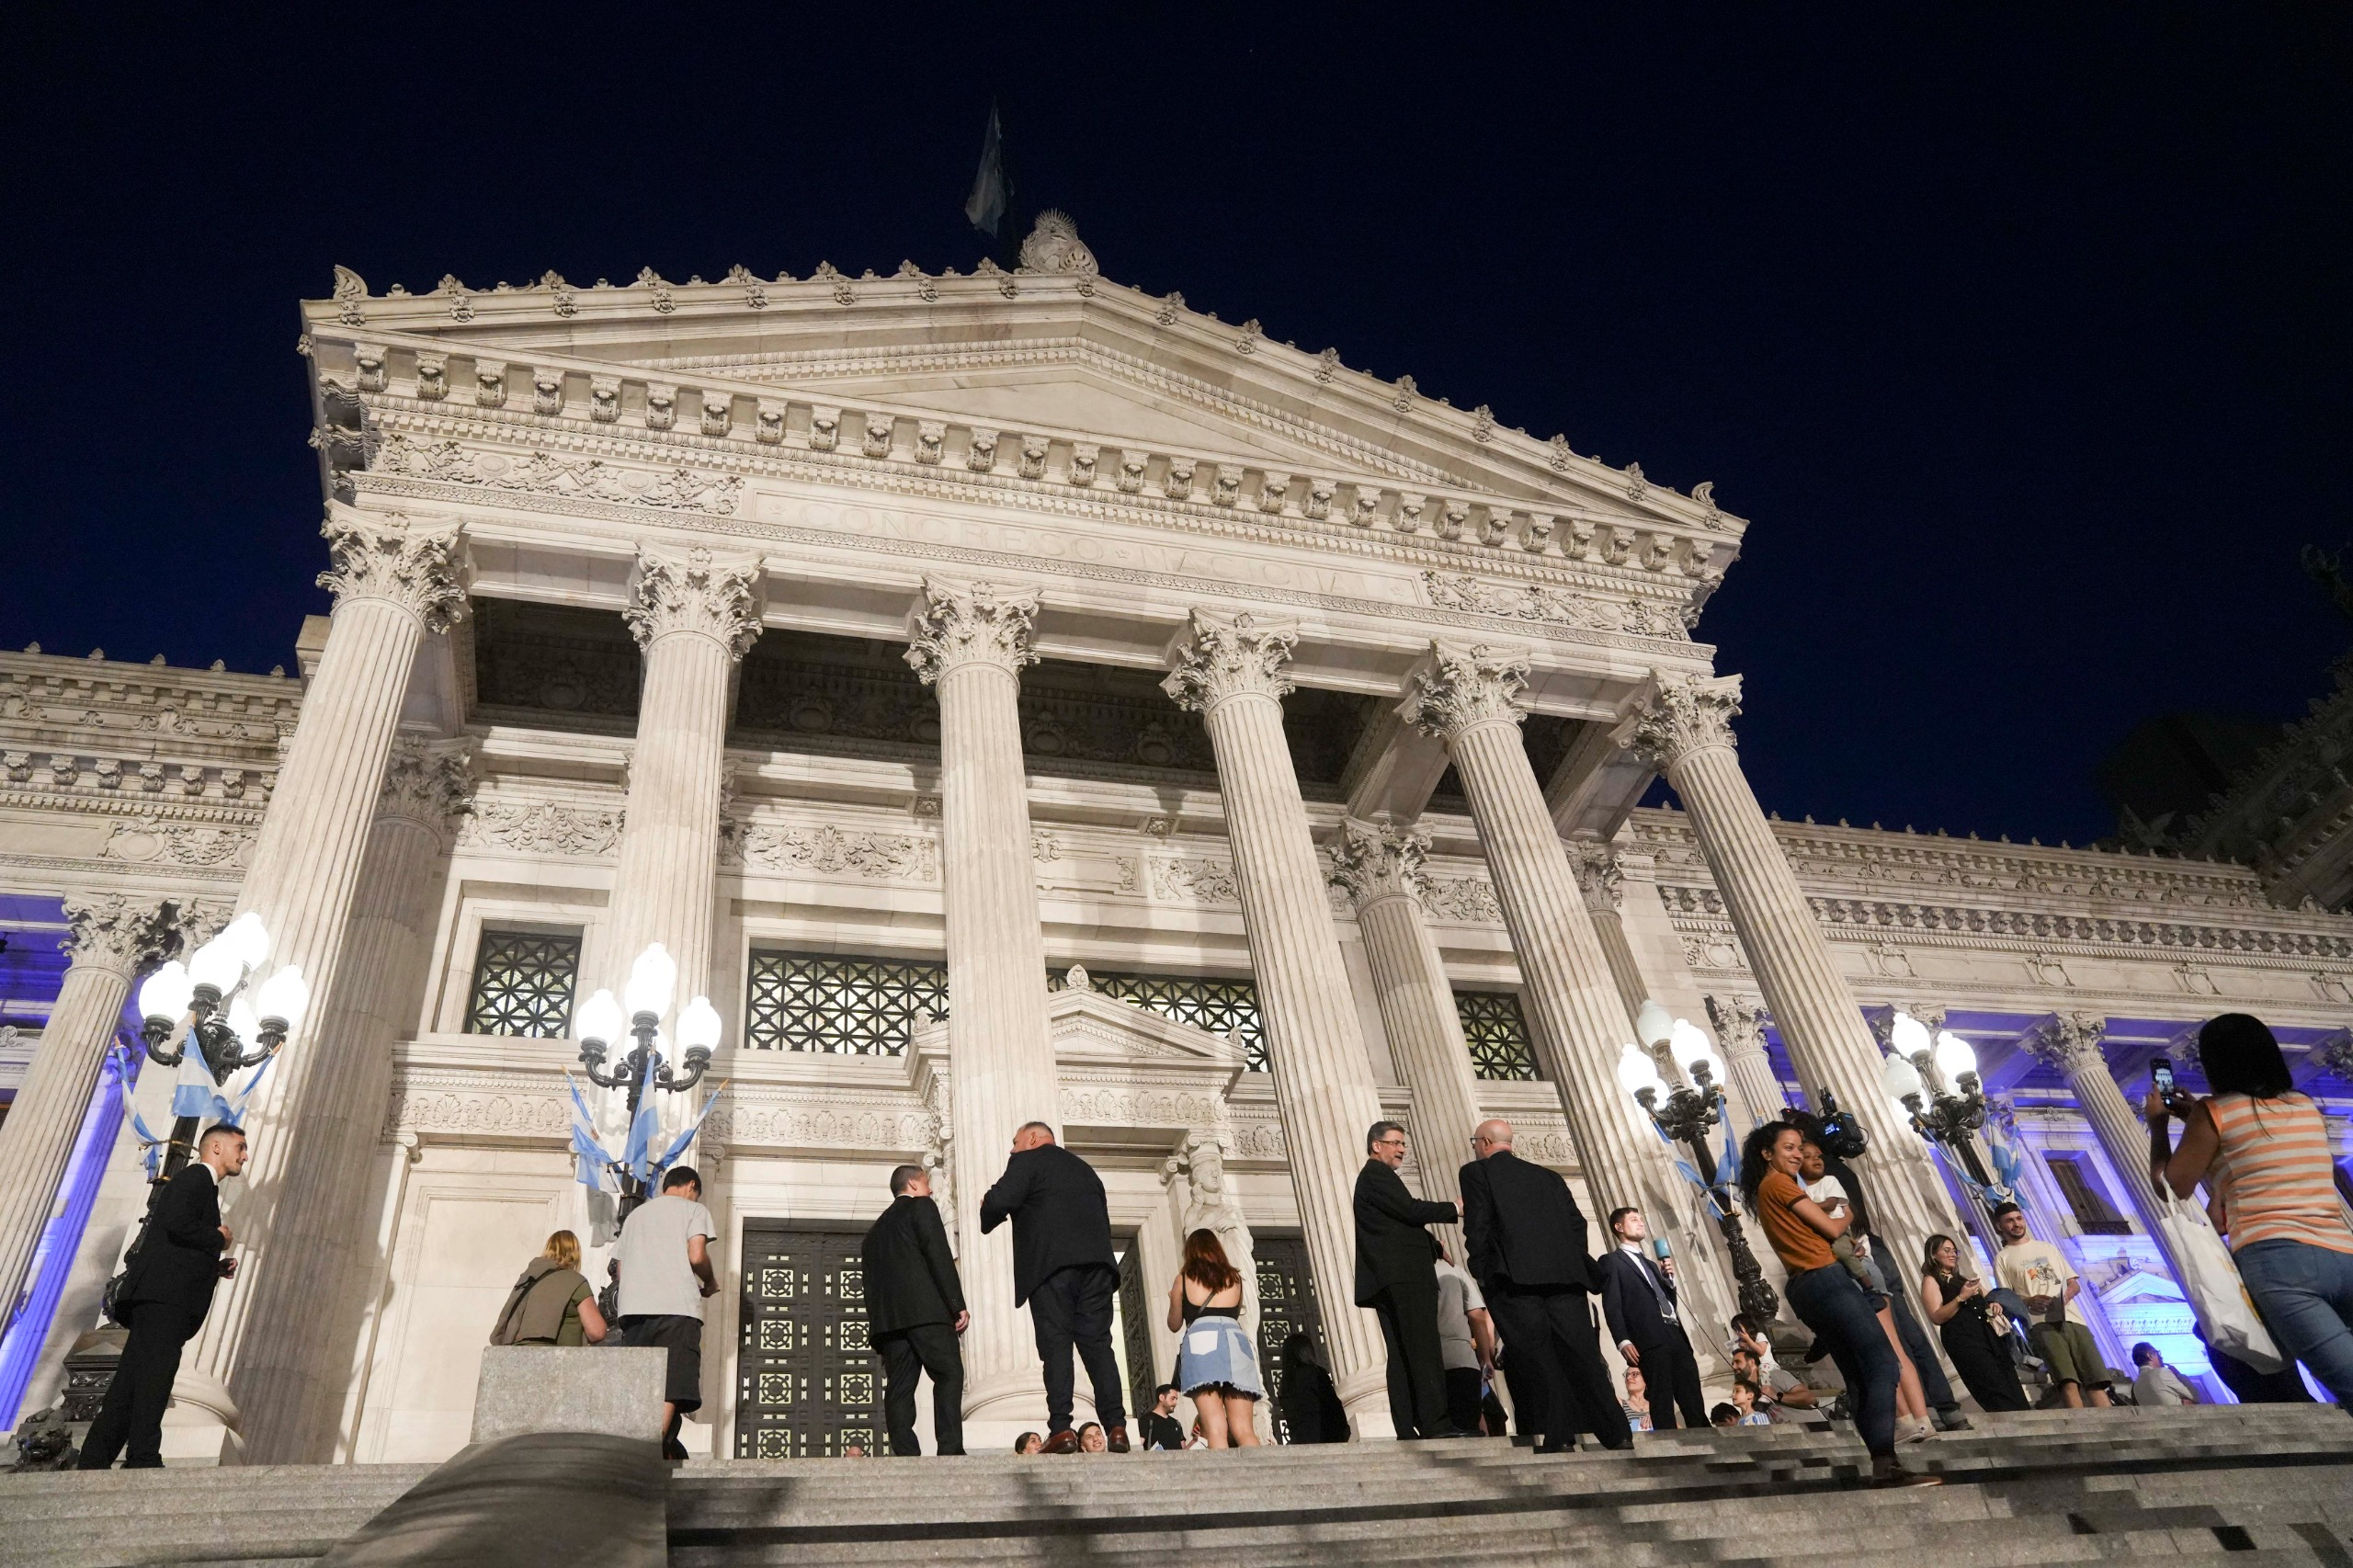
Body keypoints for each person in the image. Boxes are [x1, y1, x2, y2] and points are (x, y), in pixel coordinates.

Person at [2150, 1012, 2353, 1404]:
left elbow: (2170, 1186)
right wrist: (2198, 1120)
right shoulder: (2304, 1106)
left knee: (2232, 1344)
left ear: (2214, 1064)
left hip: (2278, 1262)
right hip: (2343, 1253)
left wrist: (2158, 1127)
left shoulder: (2215, 1112)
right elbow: (2254, 1161)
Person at [1741, 1120, 1937, 1487]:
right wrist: (1847, 1213)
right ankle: (1886, 1460)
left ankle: (1883, 1464)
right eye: (1789, 1147)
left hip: (1806, 1287)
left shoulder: (1766, 1189)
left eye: (1800, 1147)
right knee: (1883, 1364)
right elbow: (1832, 1230)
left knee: (1859, 1374)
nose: (1798, 1154)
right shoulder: (1779, 1183)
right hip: (1826, 1279)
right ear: (1767, 1154)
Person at [80, 1123, 247, 1470]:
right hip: (163, 1301)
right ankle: (142, 1457)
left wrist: (214, 1267)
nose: (245, 1156)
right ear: (216, 1147)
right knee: (156, 1378)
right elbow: (175, 1222)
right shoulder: (196, 1178)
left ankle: (95, 1459)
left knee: (130, 1383)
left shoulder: (201, 1184)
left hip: (160, 1297)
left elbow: (177, 1243)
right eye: (240, 1147)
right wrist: (218, 1237)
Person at [1458, 1118, 1629, 1454]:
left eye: (1475, 1141)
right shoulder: (1549, 1177)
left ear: (1485, 1143)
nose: (1475, 1147)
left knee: (1538, 1359)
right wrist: (1567, 1259)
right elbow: (1577, 1224)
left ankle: (1560, 1436)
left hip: (1514, 1282)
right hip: (1566, 1280)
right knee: (1584, 1356)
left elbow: (1478, 1224)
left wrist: (1480, 1269)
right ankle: (1617, 1433)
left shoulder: (1476, 1173)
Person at [981, 1121, 1129, 1453]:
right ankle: (1116, 1427)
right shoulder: (1086, 1170)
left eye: (1015, 1142)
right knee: (1099, 1347)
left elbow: (999, 1201)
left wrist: (985, 1204)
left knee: (1057, 1347)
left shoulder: (1028, 1161)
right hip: (1098, 1268)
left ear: (1032, 1138)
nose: (1011, 1150)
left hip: (1052, 1268)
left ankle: (1061, 1429)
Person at [1800, 1135, 1934, 1441]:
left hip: (1855, 1269)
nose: (1814, 1159)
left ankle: (1909, 1421)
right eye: (1807, 1156)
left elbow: (1835, 1216)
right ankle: (1920, 1421)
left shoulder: (1822, 1186)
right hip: (1851, 1264)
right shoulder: (1803, 1192)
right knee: (1890, 1348)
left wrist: (1804, 1208)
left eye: (1815, 1154)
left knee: (1882, 1351)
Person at [1356, 1119, 1464, 1439]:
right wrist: (1453, 1209)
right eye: (1396, 1143)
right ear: (1377, 1146)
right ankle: (1435, 1423)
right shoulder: (1377, 1175)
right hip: (1405, 1278)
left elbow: (1394, 1222)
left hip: (1390, 1279)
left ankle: (1407, 1426)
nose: (1402, 1149)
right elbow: (1410, 1210)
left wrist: (1432, 1245)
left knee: (1403, 1353)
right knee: (1423, 1348)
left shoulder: (1373, 1179)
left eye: (1404, 1143)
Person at [614, 1165, 720, 1460]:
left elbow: (621, 1268)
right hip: (676, 1307)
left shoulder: (635, 1216)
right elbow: (697, 1255)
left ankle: (639, 1443)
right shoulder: (692, 1210)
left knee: (640, 1381)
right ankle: (651, 1447)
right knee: (672, 1382)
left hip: (634, 1310)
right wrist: (710, 1282)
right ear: (690, 1186)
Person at [861, 1164, 968, 1457]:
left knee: (900, 1387)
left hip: (890, 1324)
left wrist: (879, 1326)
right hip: (927, 1315)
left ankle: (906, 1452)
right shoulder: (922, 1207)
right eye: (925, 1183)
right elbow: (938, 1255)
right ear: (912, 1185)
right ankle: (949, 1447)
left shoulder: (873, 1233)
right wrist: (956, 1304)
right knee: (949, 1374)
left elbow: (869, 1286)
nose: (931, 1189)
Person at [1989, 1201, 2111, 1408]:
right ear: (2000, 1227)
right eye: (2010, 1221)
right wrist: (2029, 1300)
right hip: (2040, 1324)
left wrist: (2066, 1295)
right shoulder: (2003, 1258)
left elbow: (2073, 1283)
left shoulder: (2047, 1247)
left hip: (2072, 1318)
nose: (2016, 1224)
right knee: (2067, 1381)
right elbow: (2006, 1298)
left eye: (2019, 1218)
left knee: (2095, 1380)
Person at [1597, 1207, 1708, 1429]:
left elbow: (1667, 1303)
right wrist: (1623, 1340)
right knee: (1661, 1396)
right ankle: (1670, 1445)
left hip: (1674, 1332)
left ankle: (1706, 1438)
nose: (1641, 1223)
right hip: (1649, 1337)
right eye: (1634, 1220)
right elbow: (1612, 1304)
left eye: (1641, 1219)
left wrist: (1669, 1282)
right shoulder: (1611, 1261)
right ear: (1619, 1227)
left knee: (1691, 1392)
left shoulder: (1651, 1264)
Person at [1167, 1227, 1262, 1448]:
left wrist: (1174, 1299)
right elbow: (1234, 1314)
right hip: (1235, 1342)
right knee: (1245, 1429)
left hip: (1202, 1345)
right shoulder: (1235, 1278)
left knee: (1215, 1428)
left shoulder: (1183, 1279)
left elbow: (1174, 1324)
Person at [1920, 1233, 2027, 1413]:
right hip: (1966, 1342)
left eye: (1955, 1251)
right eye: (1947, 1250)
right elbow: (1937, 1316)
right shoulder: (1931, 1280)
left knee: (2010, 1382)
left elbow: (1989, 1297)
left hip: (1989, 1338)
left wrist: (1993, 1303)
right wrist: (1961, 1297)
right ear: (1933, 1255)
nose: (1953, 1254)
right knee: (1992, 1385)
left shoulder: (1962, 1279)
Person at [493, 1230, 608, 1346]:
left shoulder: (527, 1279)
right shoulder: (575, 1281)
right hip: (556, 1358)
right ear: (575, 1253)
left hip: (516, 1356)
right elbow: (596, 1331)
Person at [1433, 1241, 1495, 1436]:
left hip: (1428, 1361)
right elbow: (1477, 1316)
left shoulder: (1409, 1273)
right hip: (1461, 1357)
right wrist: (1485, 1358)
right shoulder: (1455, 1271)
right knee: (1468, 1423)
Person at [1276, 1331, 1349, 1443]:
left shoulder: (1285, 1384)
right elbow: (1332, 1405)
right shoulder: (1315, 1373)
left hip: (1300, 1440)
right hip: (1323, 1436)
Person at [2131, 1343, 2200, 1406]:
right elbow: (2195, 1396)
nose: (2161, 1357)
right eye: (2157, 1353)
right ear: (2150, 1355)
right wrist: (2179, 1375)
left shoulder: (2135, 1386)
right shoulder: (2161, 1373)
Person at [1142, 1384, 1188, 1450]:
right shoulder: (1146, 1420)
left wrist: (1194, 1440)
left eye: (1176, 1399)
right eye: (1172, 1398)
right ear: (1161, 1397)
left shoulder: (1176, 1423)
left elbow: (1184, 1451)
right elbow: (1138, 1447)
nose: (1175, 1403)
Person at [1620, 1366, 1653, 1433]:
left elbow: (1676, 1431)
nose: (1629, 1378)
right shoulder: (1619, 1403)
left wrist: (1657, 1420)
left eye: (1634, 1374)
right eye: (1627, 1375)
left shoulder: (1657, 1407)